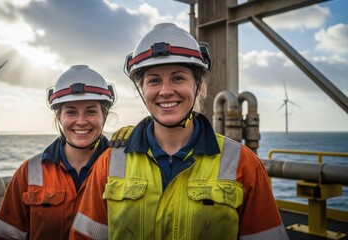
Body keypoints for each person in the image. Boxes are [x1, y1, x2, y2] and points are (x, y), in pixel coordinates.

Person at [70, 23, 289, 239]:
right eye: (154, 80)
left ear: (199, 85)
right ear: (142, 90)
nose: (165, 91)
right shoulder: (110, 162)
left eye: (178, 78)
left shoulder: (242, 163)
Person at [0, 65, 116, 240]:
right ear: (59, 117)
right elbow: (4, 236)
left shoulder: (121, 167)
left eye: (91, 111)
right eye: (71, 112)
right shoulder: (30, 171)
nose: (81, 121)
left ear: (104, 116)